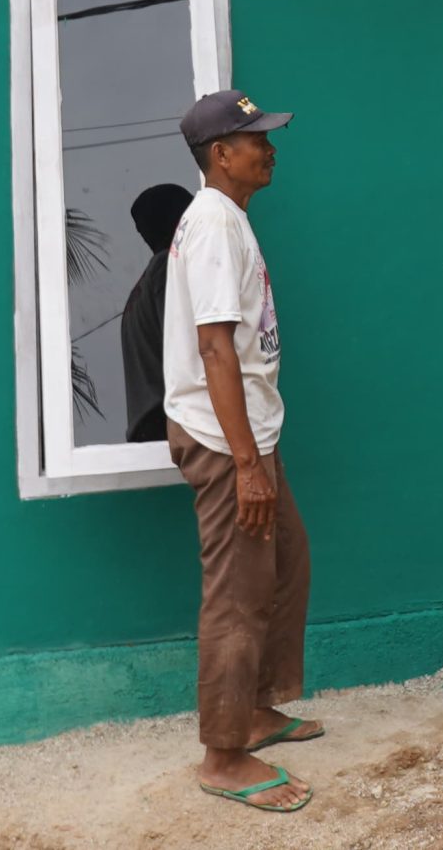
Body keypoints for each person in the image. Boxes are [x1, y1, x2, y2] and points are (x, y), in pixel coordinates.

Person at [162, 89, 320, 813]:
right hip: (228, 442)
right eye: (256, 138)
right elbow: (215, 348)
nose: (269, 147)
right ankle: (224, 755)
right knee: (237, 595)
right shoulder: (213, 225)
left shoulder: (228, 217)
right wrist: (248, 464)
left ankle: (255, 710)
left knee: (285, 561)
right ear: (221, 155)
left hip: (250, 433)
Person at [118, 183, 195, 444]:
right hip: (167, 422)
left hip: (149, 426)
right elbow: (184, 346)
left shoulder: (140, 291)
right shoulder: (166, 268)